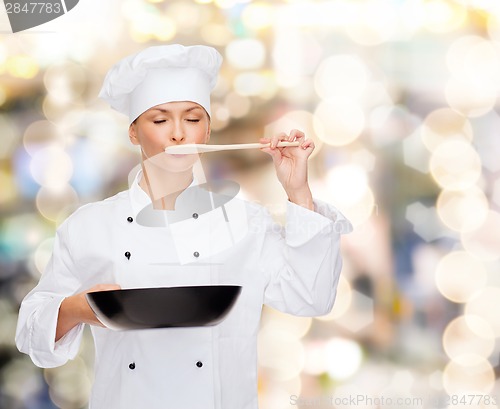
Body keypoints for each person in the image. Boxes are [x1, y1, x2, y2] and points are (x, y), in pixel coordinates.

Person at [15, 44, 352, 409]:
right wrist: (79, 309)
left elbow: (312, 296)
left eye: (192, 119)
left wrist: (297, 189)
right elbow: (31, 334)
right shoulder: (90, 226)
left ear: (207, 130)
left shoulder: (245, 223)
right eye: (159, 121)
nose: (178, 134)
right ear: (133, 132)